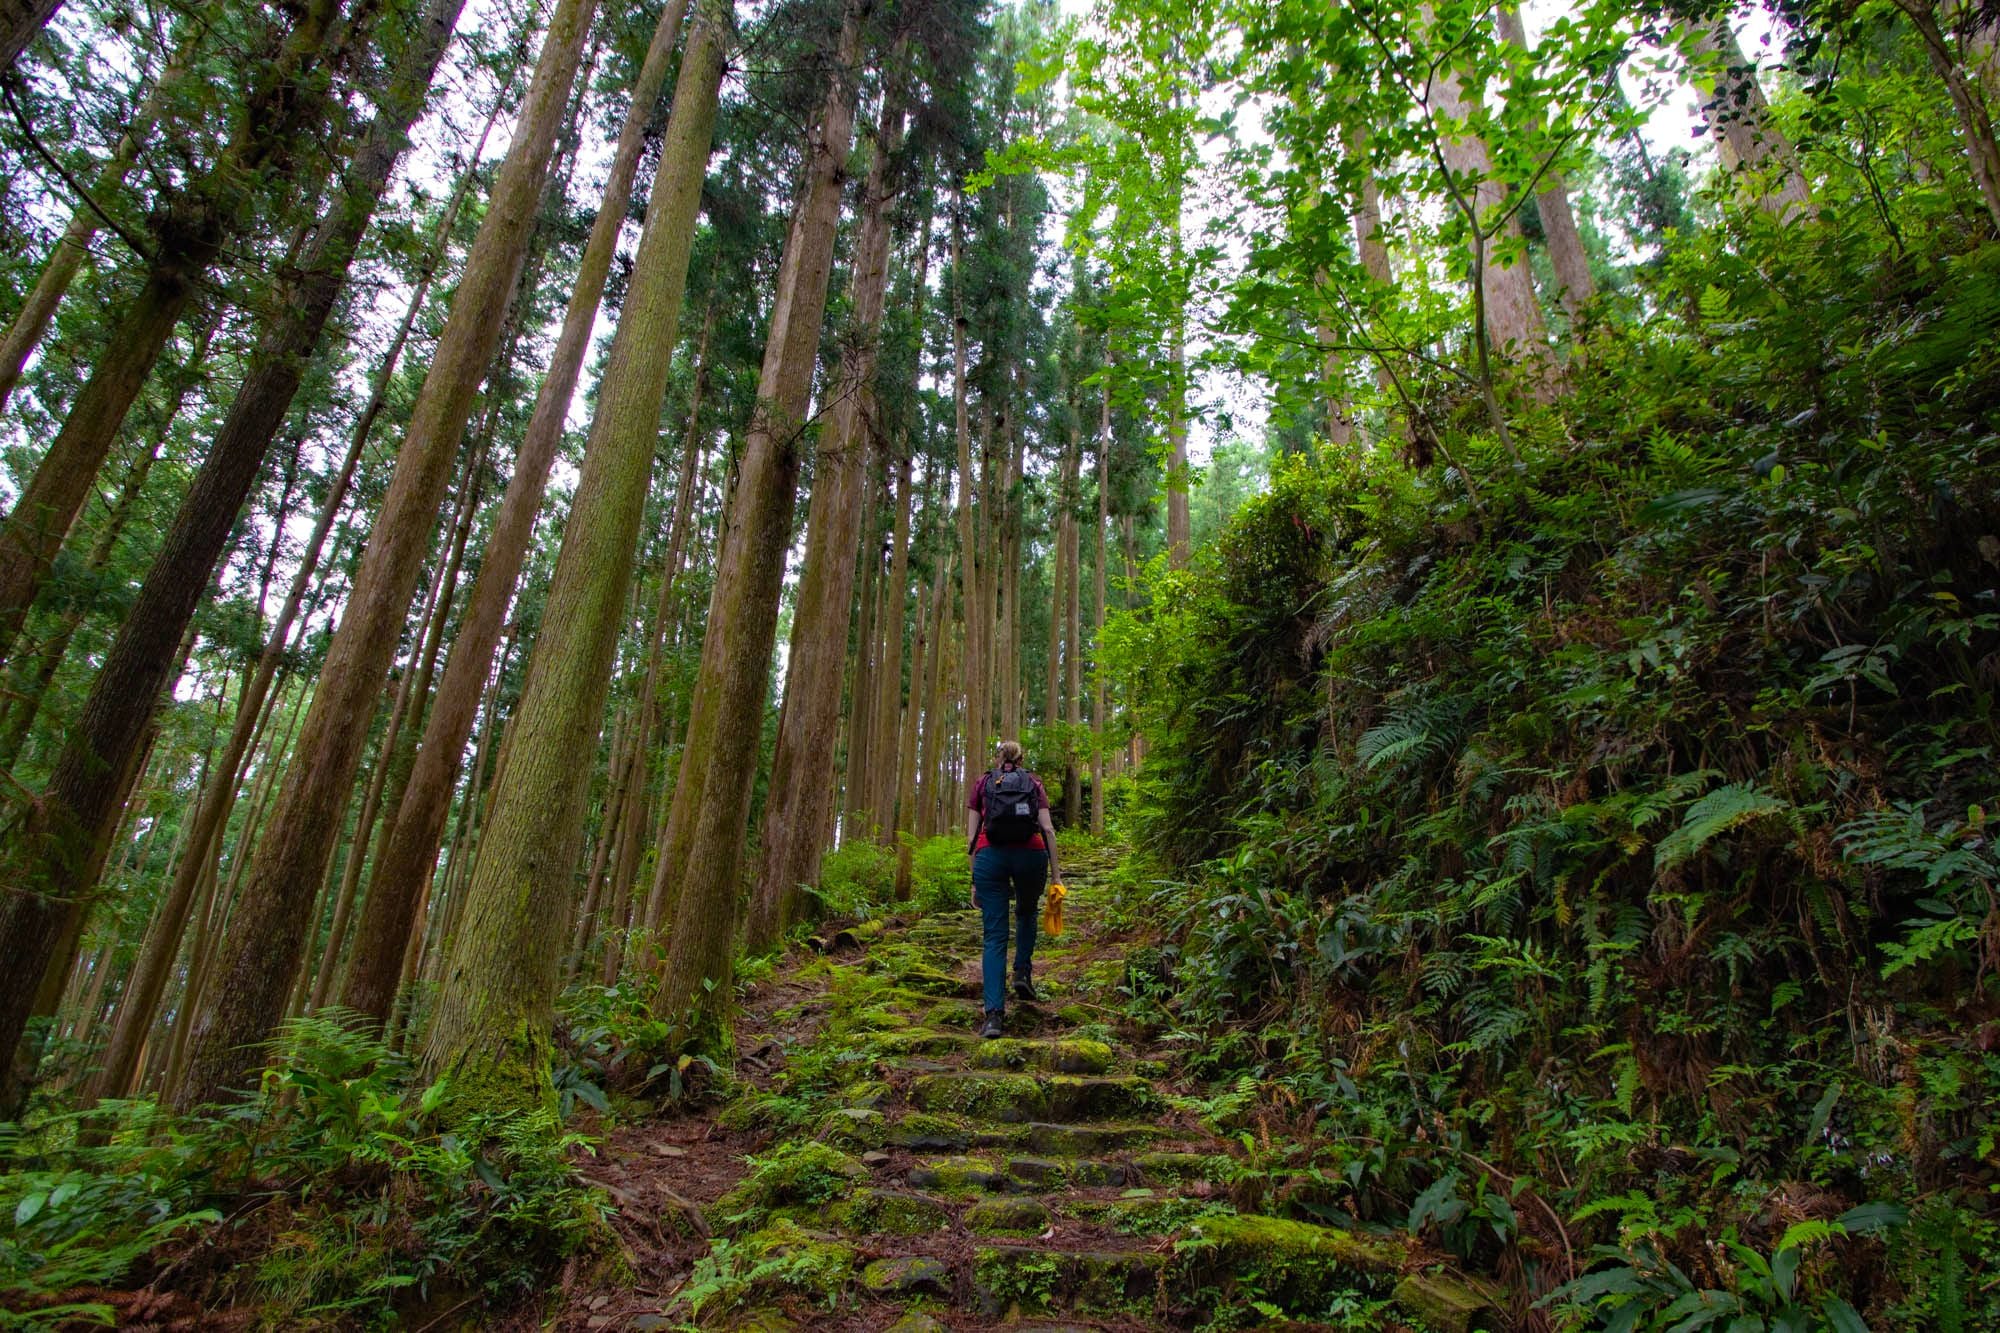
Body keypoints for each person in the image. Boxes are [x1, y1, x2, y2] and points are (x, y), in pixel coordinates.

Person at [966, 740, 1061, 1039]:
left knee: (994, 935)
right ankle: (1022, 971)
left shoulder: (983, 783)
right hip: (1030, 855)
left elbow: (971, 837)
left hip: (989, 857)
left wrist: (974, 879)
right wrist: (1056, 876)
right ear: (1021, 759)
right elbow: (1047, 829)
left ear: (998, 759)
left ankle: (993, 1016)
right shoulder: (1033, 782)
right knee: (1026, 911)